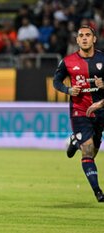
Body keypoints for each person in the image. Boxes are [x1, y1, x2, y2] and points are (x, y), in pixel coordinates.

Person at [53, 25, 104, 202]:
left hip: (101, 111)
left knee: (94, 151)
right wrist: (68, 89)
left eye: (88, 35)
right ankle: (98, 191)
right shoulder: (67, 61)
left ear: (94, 39)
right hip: (79, 111)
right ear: (76, 40)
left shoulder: (102, 59)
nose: (84, 38)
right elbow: (56, 82)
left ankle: (75, 141)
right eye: (81, 35)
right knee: (88, 151)